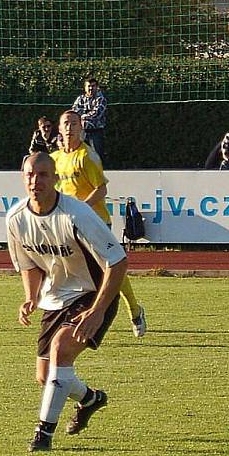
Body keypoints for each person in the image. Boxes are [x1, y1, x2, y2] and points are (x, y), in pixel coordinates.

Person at [6, 151, 128, 452]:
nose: (36, 181)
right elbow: (29, 264)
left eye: (43, 175)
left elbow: (118, 261)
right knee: (45, 376)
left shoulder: (77, 214)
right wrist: (30, 297)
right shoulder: (15, 219)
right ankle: (90, 399)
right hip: (55, 297)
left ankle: (43, 434)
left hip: (93, 293)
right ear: (23, 178)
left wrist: (98, 311)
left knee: (61, 350)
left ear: (55, 178)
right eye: (30, 175)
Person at [51, 110, 146, 337]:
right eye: (66, 123)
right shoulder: (54, 159)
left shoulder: (87, 156)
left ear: (81, 128)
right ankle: (68, 314)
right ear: (60, 128)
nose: (70, 127)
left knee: (111, 269)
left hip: (95, 222)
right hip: (67, 225)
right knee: (67, 269)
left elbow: (101, 188)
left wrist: (82, 208)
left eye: (75, 123)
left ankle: (134, 310)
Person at [71, 78, 107, 162]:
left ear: (97, 87)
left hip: (96, 131)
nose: (91, 88)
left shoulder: (101, 99)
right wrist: (86, 114)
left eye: (93, 86)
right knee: (79, 153)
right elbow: (74, 112)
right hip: (81, 131)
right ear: (85, 87)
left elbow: (96, 113)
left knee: (97, 155)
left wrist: (82, 115)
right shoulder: (80, 99)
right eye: (89, 86)